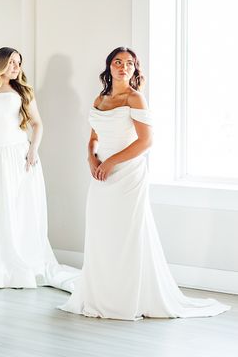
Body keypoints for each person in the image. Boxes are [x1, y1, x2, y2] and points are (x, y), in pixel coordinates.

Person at [59, 47, 230, 319]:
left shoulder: (135, 98)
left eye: (129, 63)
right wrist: (92, 158)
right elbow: (93, 138)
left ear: (135, 69)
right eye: (118, 62)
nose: (123, 67)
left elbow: (146, 141)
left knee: (126, 233)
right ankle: (101, 293)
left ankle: (127, 297)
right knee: (102, 231)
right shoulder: (100, 98)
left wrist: (111, 162)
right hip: (101, 175)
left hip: (127, 174)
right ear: (109, 67)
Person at [0, 47, 78, 291]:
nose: (16, 67)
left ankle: (7, 261)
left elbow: (37, 124)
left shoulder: (22, 92)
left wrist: (33, 150)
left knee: (9, 205)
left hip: (13, 155)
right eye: (11, 62)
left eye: (18, 63)